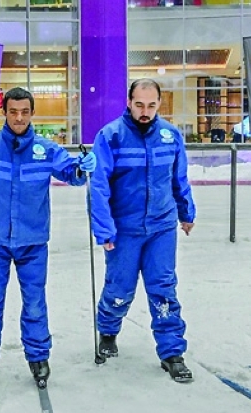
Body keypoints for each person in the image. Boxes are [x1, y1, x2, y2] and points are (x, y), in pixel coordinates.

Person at [0, 87, 94, 386]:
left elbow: (71, 173)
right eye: (13, 111)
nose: (19, 117)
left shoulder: (47, 150)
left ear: (32, 113)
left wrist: (82, 169)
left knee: (35, 301)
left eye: (25, 112)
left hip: (33, 241)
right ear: (4, 113)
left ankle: (38, 356)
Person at [89, 79, 197, 383]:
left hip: (162, 227)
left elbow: (180, 178)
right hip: (125, 229)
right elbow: (98, 187)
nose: (145, 111)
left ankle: (171, 351)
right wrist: (105, 229)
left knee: (164, 288)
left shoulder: (170, 136)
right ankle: (108, 331)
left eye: (151, 105)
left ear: (159, 103)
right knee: (120, 288)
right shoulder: (110, 137)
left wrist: (186, 212)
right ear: (128, 101)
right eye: (139, 105)